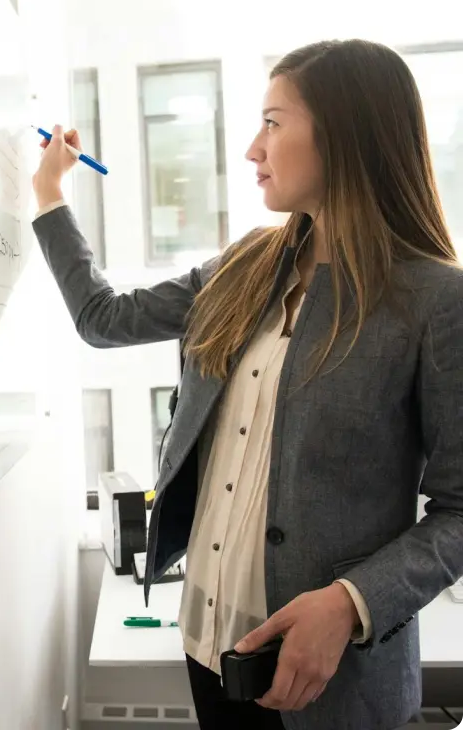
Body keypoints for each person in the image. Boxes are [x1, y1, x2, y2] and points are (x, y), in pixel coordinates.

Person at [31, 39, 463, 730]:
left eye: (272, 122)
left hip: (331, 684)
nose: (252, 150)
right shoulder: (245, 266)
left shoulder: (434, 302)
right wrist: (49, 195)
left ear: (346, 135)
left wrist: (351, 601)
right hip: (208, 648)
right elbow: (103, 319)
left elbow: (460, 510)